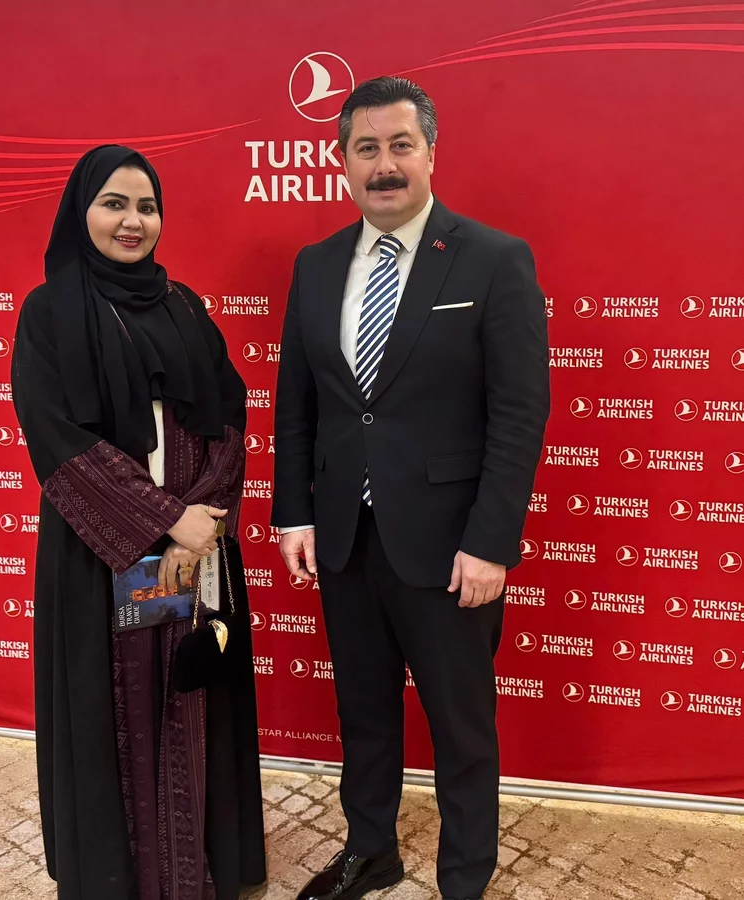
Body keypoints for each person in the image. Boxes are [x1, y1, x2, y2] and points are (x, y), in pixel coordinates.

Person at [272, 77, 549, 900]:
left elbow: (519, 413)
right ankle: (371, 850)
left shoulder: (493, 258)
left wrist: (491, 543)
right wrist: (295, 513)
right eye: (366, 148)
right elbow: (298, 404)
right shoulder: (316, 265)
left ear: (431, 153)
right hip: (345, 539)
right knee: (362, 713)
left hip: (450, 547)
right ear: (342, 161)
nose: (384, 165)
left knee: (462, 728)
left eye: (401, 145)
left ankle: (465, 876)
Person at [11, 145, 266, 900]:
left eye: (147, 207)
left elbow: (230, 414)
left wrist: (203, 519)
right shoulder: (49, 313)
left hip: (201, 547)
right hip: (100, 555)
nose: (133, 221)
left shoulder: (184, 306)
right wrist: (163, 521)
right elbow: (57, 438)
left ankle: (202, 866)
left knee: (196, 688)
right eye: (114, 204)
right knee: (111, 710)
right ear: (80, 212)